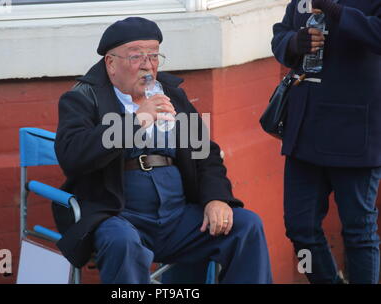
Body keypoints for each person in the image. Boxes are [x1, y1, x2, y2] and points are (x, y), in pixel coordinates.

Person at [52, 16, 272, 284]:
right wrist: (136, 122)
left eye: (154, 56)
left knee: (245, 226)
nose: (148, 65)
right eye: (136, 57)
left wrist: (217, 198)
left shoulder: (172, 95)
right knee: (122, 242)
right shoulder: (85, 98)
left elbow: (205, 153)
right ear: (111, 63)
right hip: (119, 215)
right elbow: (72, 155)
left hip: (177, 216)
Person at [271, 0, 381, 284]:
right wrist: (296, 42)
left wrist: (341, 15)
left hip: (357, 126)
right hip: (304, 125)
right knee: (299, 228)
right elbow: (279, 34)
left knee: (358, 231)